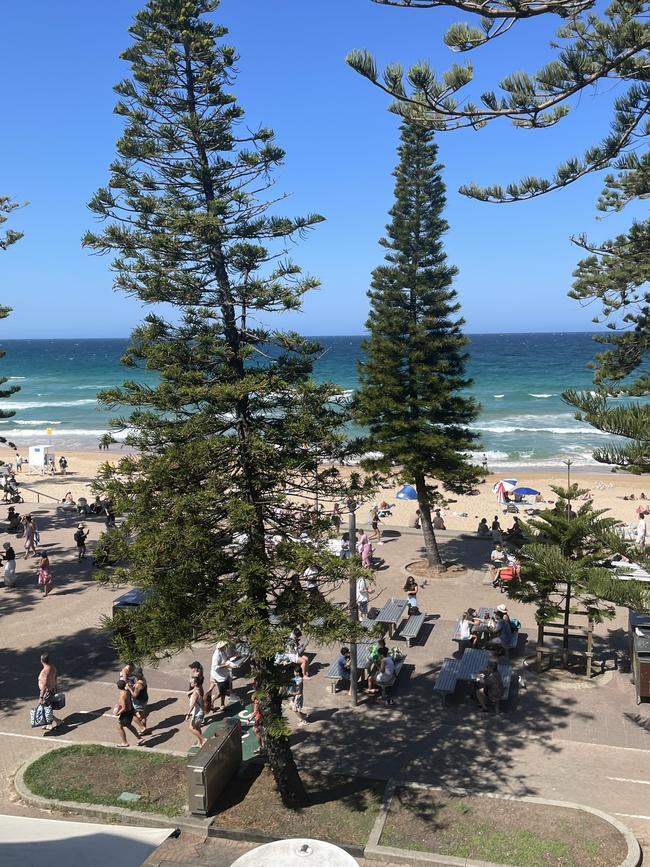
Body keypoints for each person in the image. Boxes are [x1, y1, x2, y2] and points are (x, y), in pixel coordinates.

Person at [115, 679, 145, 747]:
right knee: (129, 725)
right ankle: (140, 739)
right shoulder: (126, 691)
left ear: (118, 687)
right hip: (130, 710)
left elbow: (124, 708)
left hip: (126, 713)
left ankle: (124, 743)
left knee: (119, 727)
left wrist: (118, 713)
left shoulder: (122, 695)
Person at [209, 640, 236, 713]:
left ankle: (221, 704)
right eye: (224, 646)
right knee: (222, 692)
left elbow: (226, 658)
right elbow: (215, 667)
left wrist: (233, 655)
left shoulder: (222, 651)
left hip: (224, 675)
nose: (225, 646)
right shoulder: (216, 655)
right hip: (219, 676)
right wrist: (226, 665)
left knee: (223, 692)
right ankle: (214, 703)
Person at [38, 653, 63, 731]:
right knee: (46, 707)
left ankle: (50, 724)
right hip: (51, 690)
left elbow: (45, 685)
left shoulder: (45, 671)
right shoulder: (53, 668)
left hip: (47, 692)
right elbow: (55, 679)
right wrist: (56, 688)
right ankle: (55, 721)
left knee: (46, 708)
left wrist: (41, 696)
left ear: (42, 661)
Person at [127, 668, 149, 732]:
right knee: (142, 714)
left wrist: (129, 688)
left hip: (139, 701)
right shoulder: (143, 679)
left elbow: (134, 695)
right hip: (144, 699)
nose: (134, 676)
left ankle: (143, 728)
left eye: (135, 675)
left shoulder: (139, 684)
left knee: (136, 715)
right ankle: (144, 729)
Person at [187, 674, 206, 747]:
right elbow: (187, 693)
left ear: (195, 683)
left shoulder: (195, 693)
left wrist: (188, 713)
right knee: (197, 728)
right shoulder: (198, 689)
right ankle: (200, 743)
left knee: (191, 728)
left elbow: (192, 704)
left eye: (191, 682)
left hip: (197, 714)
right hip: (200, 713)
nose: (190, 683)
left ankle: (203, 739)